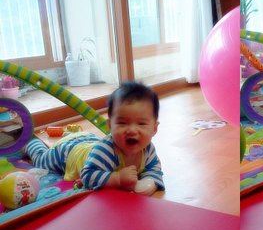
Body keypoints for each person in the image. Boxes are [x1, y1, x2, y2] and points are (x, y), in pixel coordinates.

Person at [25, 81, 164, 194]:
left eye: (141, 124)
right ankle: (31, 143)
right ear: (110, 126)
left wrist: (150, 181)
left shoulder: (148, 150)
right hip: (68, 154)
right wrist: (117, 178)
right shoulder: (106, 151)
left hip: (89, 142)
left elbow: (154, 169)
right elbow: (87, 176)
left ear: (154, 129)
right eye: (122, 123)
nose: (132, 130)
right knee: (40, 160)